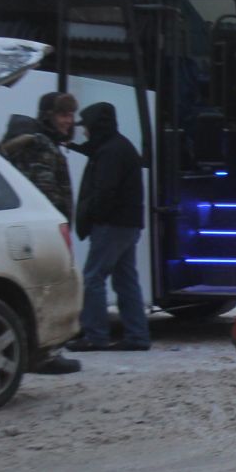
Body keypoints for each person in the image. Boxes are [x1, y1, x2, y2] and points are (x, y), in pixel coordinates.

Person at [0, 91, 82, 374]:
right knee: (49, 289)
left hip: (24, 229)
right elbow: (47, 191)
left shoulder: (25, 144)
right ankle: (46, 353)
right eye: (63, 115)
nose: (68, 122)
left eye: (71, 116)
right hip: (43, 231)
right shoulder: (42, 146)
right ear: (48, 115)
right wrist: (58, 225)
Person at [70, 102, 151, 353]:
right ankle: (137, 335)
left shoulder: (109, 152)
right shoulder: (119, 146)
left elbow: (105, 191)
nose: (84, 132)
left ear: (96, 126)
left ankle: (95, 335)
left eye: (86, 127)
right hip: (128, 224)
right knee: (126, 279)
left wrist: (94, 216)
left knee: (93, 277)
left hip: (111, 224)